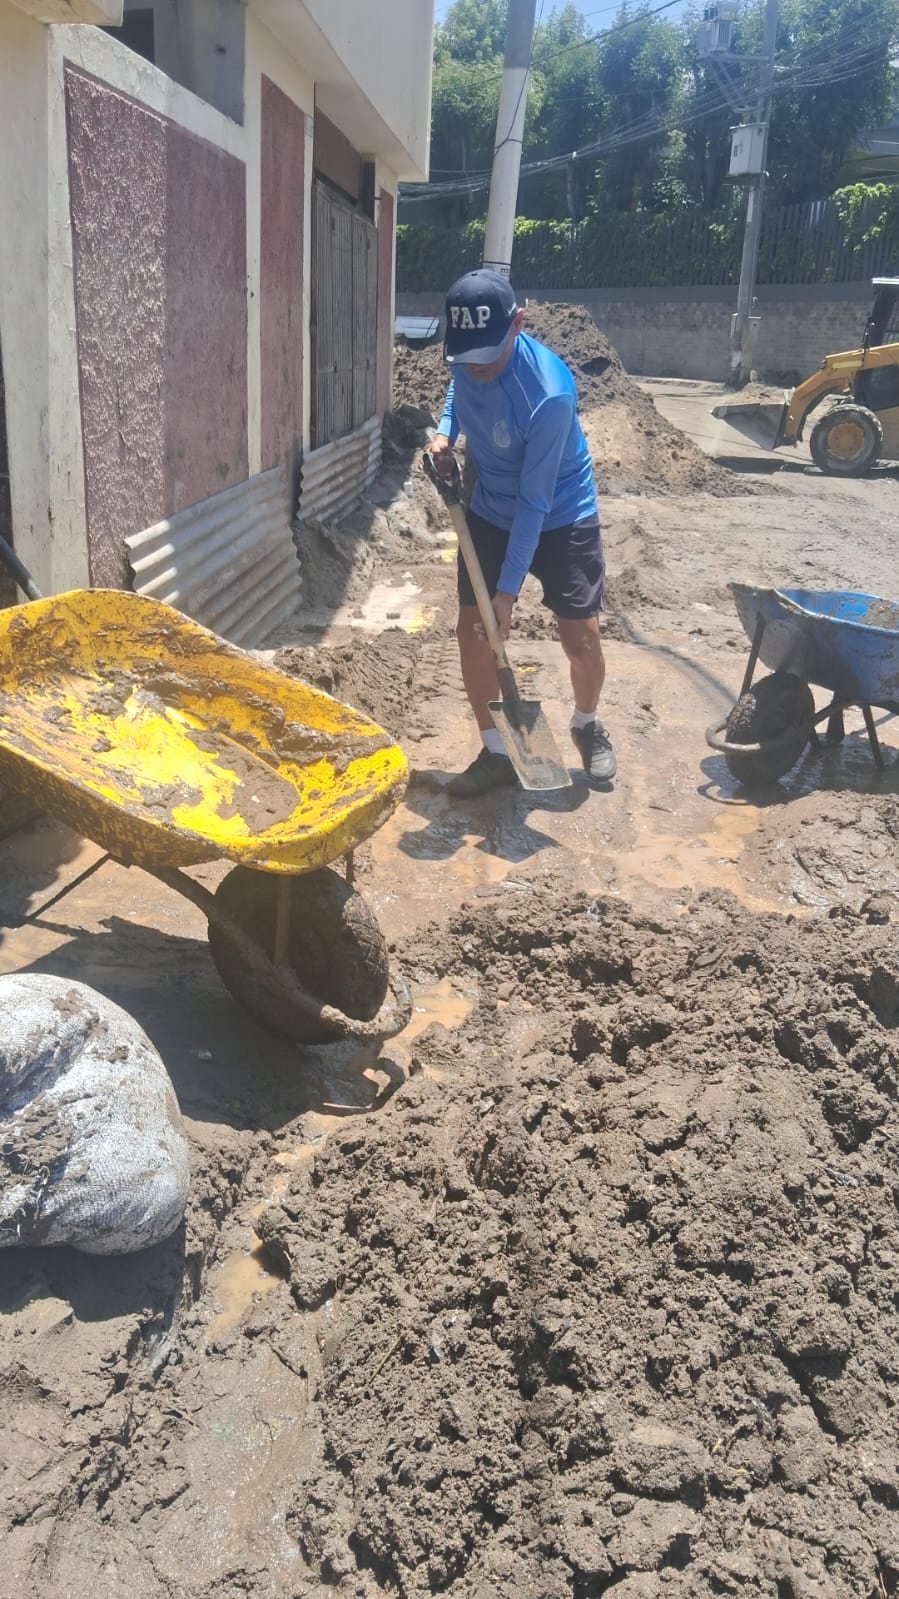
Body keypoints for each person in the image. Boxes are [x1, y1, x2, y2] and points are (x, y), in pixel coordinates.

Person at [429, 269, 615, 799]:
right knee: (473, 630)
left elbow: (536, 503)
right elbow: (455, 388)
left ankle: (586, 722)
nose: (477, 368)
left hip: (559, 514)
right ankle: (495, 752)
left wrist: (508, 594)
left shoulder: (550, 394)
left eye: (488, 355)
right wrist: (446, 434)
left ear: (519, 324)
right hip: (489, 507)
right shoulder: (470, 356)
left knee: (581, 641)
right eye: (466, 358)